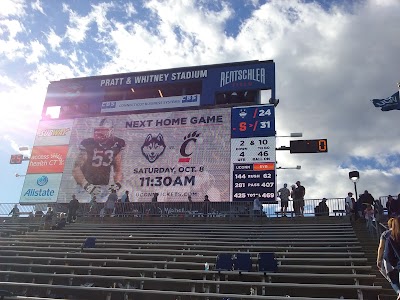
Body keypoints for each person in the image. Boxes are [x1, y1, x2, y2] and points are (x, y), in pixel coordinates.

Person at [72, 118, 126, 201]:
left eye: (104, 130)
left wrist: (117, 183)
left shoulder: (117, 144)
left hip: (103, 186)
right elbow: (76, 168)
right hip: (84, 186)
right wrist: (86, 185)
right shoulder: (88, 143)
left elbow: (118, 169)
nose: (99, 133)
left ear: (111, 130)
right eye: (98, 130)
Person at [377, 217, 400, 298]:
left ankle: (398, 291)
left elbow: (381, 247)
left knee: (391, 278)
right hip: (398, 259)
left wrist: (379, 260)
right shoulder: (398, 233)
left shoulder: (385, 234)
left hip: (389, 260)